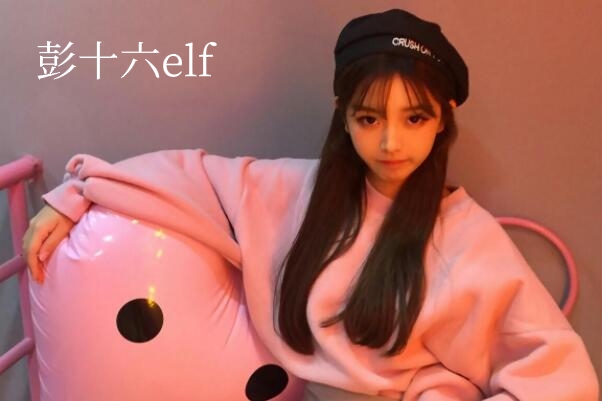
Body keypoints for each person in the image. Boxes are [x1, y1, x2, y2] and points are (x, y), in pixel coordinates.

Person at [22, 8, 598, 401]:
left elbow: (560, 376)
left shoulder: (469, 238)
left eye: (415, 118)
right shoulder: (296, 192)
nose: (391, 142)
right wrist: (76, 195)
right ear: (343, 116)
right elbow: (187, 174)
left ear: (444, 119)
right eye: (369, 118)